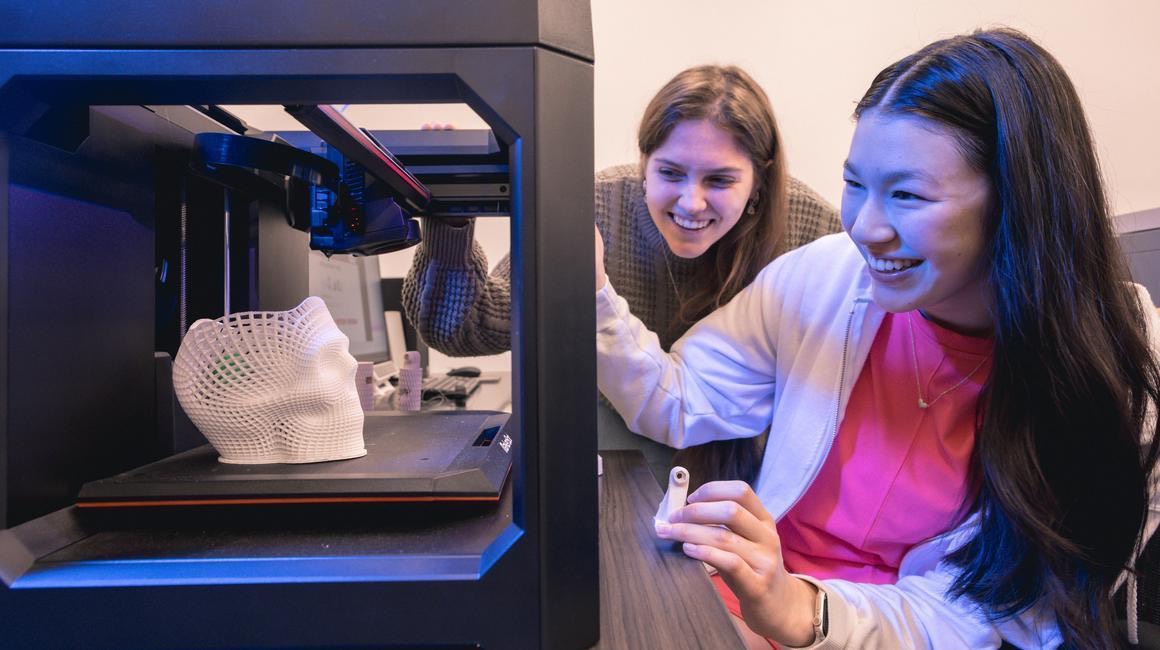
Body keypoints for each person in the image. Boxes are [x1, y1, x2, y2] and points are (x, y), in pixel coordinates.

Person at [595, 28, 1160, 649]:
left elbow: (1007, 617)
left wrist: (800, 609)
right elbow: (676, 398)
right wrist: (592, 293)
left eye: (908, 195)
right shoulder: (823, 276)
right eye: (856, 183)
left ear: (1016, 206)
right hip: (751, 597)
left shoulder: (1113, 375)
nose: (864, 227)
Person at [404, 65, 842, 486]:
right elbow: (468, 331)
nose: (691, 203)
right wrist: (451, 224)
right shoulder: (596, 209)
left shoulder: (813, 231)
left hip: (753, 469)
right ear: (643, 162)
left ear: (760, 181)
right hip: (610, 458)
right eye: (671, 172)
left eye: (719, 180)